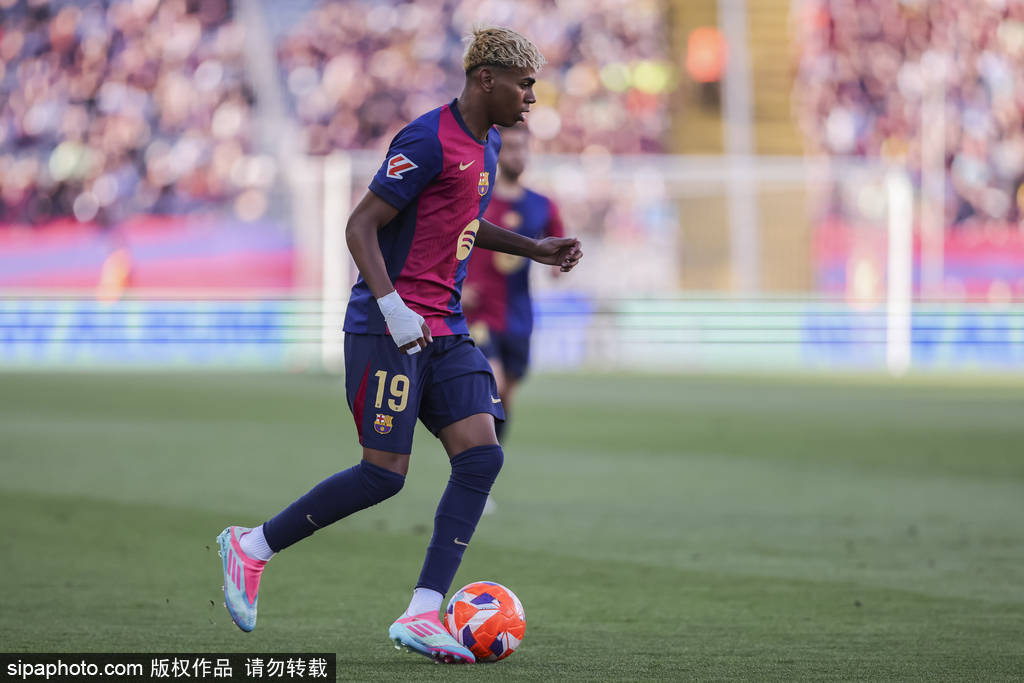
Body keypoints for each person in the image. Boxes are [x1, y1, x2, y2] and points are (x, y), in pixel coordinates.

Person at [216, 26, 582, 664]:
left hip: (445, 328)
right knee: (383, 476)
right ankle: (251, 547)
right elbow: (361, 225)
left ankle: (422, 612)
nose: (531, 98)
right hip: (388, 329)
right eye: (524, 85)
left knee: (481, 457)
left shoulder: (489, 143)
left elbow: (461, 219)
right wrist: (392, 307)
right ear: (486, 79)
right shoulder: (426, 138)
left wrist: (534, 248)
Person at [463, 121, 563, 447]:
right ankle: (474, 454)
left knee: (505, 393)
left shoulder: (541, 204)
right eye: (511, 148)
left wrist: (562, 264)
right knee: (491, 379)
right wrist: (456, 285)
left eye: (523, 148)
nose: (519, 155)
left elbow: (558, 243)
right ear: (495, 152)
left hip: (518, 313)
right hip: (478, 311)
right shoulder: (476, 200)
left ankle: (488, 456)